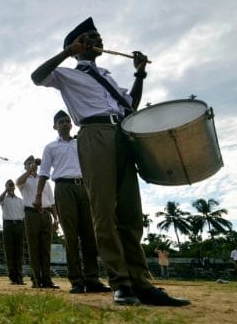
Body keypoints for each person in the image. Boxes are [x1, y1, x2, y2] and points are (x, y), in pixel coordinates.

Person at [31, 17, 190, 306]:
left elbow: (130, 105)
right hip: (94, 135)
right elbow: (36, 77)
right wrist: (67, 52)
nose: (99, 40)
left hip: (122, 132)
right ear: (78, 45)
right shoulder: (68, 75)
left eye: (99, 36)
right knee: (103, 211)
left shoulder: (106, 73)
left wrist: (139, 75)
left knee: (130, 211)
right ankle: (121, 282)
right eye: (91, 36)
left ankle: (141, 283)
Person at [38, 110, 111, 294]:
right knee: (70, 236)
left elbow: (94, 163)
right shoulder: (50, 147)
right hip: (64, 188)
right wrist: (38, 196)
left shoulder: (81, 143)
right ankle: (77, 281)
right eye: (60, 122)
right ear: (55, 126)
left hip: (85, 186)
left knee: (89, 235)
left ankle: (92, 279)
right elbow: (44, 173)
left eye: (67, 121)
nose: (64, 124)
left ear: (72, 124)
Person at [17, 155, 60, 289]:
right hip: (31, 214)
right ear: (25, 167)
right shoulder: (24, 181)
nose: (32, 165)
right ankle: (36, 280)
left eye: (33, 163)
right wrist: (28, 171)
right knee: (33, 248)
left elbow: (52, 202)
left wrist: (56, 219)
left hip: (46, 215)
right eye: (29, 164)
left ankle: (47, 280)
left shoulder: (45, 182)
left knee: (45, 249)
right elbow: (18, 181)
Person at [0, 179, 27, 285]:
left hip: (19, 224)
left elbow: (24, 216)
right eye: (8, 185)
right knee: (10, 252)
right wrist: (5, 190)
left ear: (14, 187)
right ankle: (13, 278)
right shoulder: (4, 199)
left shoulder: (20, 201)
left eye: (11, 185)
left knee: (19, 252)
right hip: (8, 225)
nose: (10, 186)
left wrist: (24, 229)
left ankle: (19, 277)